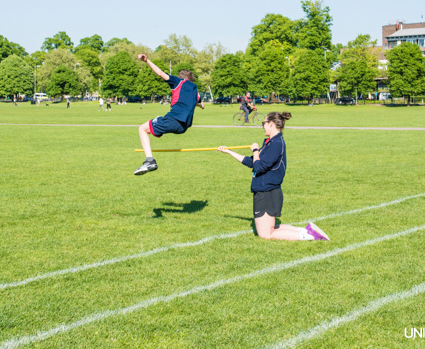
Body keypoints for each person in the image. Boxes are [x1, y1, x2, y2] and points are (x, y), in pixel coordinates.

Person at [217, 112, 329, 241]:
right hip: (265, 190)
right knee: (270, 229)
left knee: (265, 235)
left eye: (264, 123)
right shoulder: (271, 142)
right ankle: (306, 231)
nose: (263, 126)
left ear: (271, 124)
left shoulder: (276, 144)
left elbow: (259, 167)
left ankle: (309, 235)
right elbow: (252, 162)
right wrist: (228, 152)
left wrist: (255, 151)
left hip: (267, 192)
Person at [134, 54, 204, 175]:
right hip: (183, 127)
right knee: (152, 124)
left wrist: (147, 61)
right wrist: (199, 105)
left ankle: (150, 161)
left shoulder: (179, 82)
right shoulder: (195, 89)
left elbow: (160, 73)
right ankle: (149, 161)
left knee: (142, 129)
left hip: (174, 120)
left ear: (181, 78)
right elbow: (200, 104)